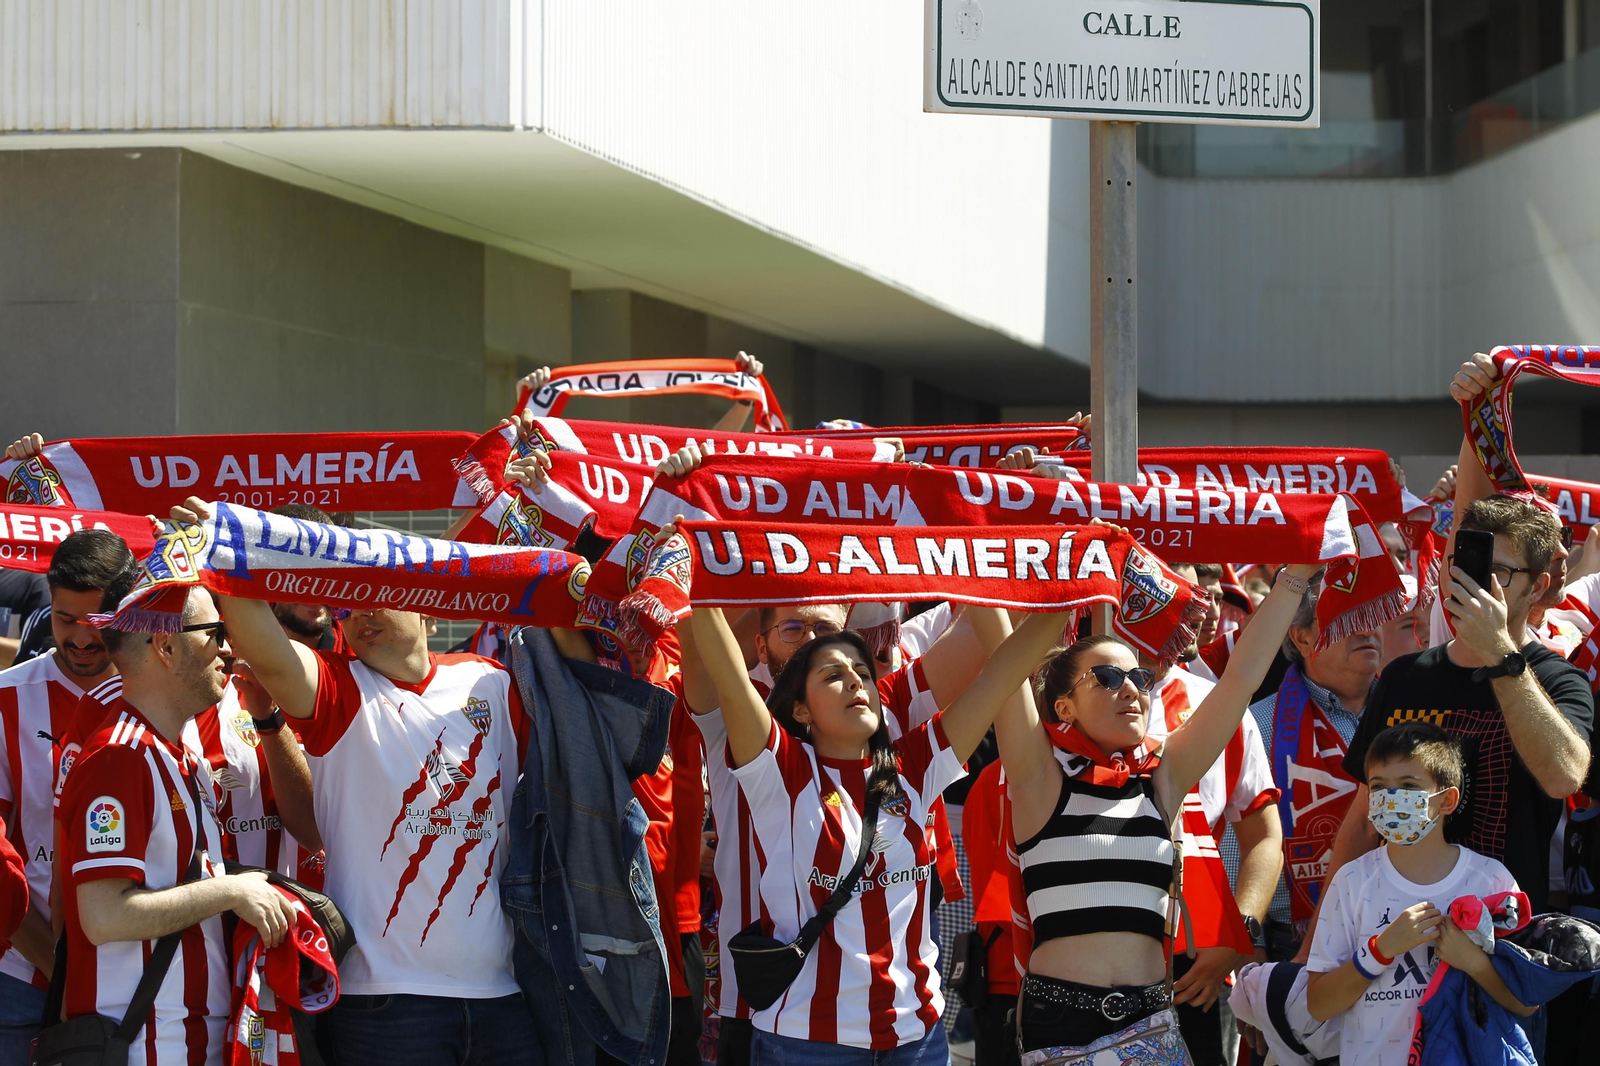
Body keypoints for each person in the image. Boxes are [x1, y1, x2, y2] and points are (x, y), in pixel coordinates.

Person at [170, 496, 546, 1066]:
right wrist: (223, 543)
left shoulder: (491, 680)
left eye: (377, 596)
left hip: (503, 994)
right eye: (348, 606)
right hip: (385, 1006)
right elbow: (260, 642)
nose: (359, 615)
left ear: (430, 610)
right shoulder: (337, 691)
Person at [685, 575, 1068, 1063]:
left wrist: (1080, 583)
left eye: (862, 672)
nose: (851, 681)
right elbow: (720, 664)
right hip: (803, 1035)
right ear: (800, 706)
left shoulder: (916, 759)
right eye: (829, 674)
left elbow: (1003, 671)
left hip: (917, 1038)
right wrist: (702, 568)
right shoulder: (779, 768)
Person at [999, 561, 1320, 1061]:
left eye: (1139, 677)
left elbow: (1239, 681)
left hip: (1154, 1019)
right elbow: (1004, 665)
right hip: (1060, 1020)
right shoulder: (1037, 782)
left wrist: (1294, 577)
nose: (1131, 688)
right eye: (1106, 677)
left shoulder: (1164, 779)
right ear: (1064, 708)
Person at [57, 586, 297, 1066]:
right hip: (141, 1044)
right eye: (215, 634)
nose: (228, 649)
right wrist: (231, 892)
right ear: (166, 648)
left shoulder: (172, 754)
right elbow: (104, 917)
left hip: (180, 1040)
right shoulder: (120, 758)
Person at [1324, 496, 1593, 919]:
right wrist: (1321, 938)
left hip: (1499, 935)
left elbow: (1564, 778)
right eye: (1468, 566)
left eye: (1500, 572)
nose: (1478, 584)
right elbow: (1361, 821)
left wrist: (1501, 654)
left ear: (1538, 587)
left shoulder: (1558, 679)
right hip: (1392, 931)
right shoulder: (1403, 677)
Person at [1306, 722, 1531, 1066]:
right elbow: (1319, 1004)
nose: (1390, 798)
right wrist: (1379, 951)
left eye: (1408, 786)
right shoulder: (1351, 881)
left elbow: (1527, 1001)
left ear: (1447, 800)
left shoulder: (1491, 881)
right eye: (1379, 786)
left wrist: (1473, 963)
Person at [1139, 563, 1283, 1066]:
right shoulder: (1059, 697)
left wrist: (1236, 935)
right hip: (1081, 968)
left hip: (1192, 970)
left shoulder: (1216, 704)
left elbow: (1264, 837)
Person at [0, 528, 133, 1063]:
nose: (80, 637)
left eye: (97, 622)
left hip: (141, 980)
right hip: (24, 980)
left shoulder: (165, 694)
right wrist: (59, 970)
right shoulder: (9, 699)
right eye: (64, 618)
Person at [1243, 582, 1381, 962]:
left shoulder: (1413, 712)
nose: (1367, 627)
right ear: (1302, 638)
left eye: (1372, 615)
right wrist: (1247, 945)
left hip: (1404, 931)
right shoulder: (1258, 724)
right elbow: (1237, 844)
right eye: (1346, 617)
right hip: (1293, 945)